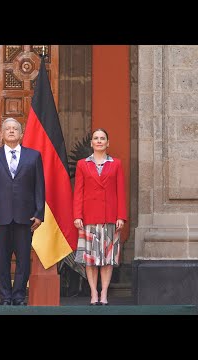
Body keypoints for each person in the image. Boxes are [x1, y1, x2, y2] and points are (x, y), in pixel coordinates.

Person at [0, 117, 45, 306]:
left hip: (25, 216)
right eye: (7, 129)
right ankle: (5, 297)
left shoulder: (33, 156)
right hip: (0, 217)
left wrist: (39, 213)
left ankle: (18, 296)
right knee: (2, 259)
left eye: (15, 129)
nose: (11, 131)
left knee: (24, 260)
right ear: (2, 134)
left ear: (21, 134)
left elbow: (39, 187)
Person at [73, 128, 127, 306]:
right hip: (88, 217)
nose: (99, 141)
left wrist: (121, 216)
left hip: (110, 217)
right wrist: (77, 215)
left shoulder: (116, 164)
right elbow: (78, 192)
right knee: (91, 260)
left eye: (102, 138)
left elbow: (120, 191)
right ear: (91, 143)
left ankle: (104, 293)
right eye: (96, 138)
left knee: (107, 260)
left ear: (107, 143)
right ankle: (93, 293)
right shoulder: (82, 164)